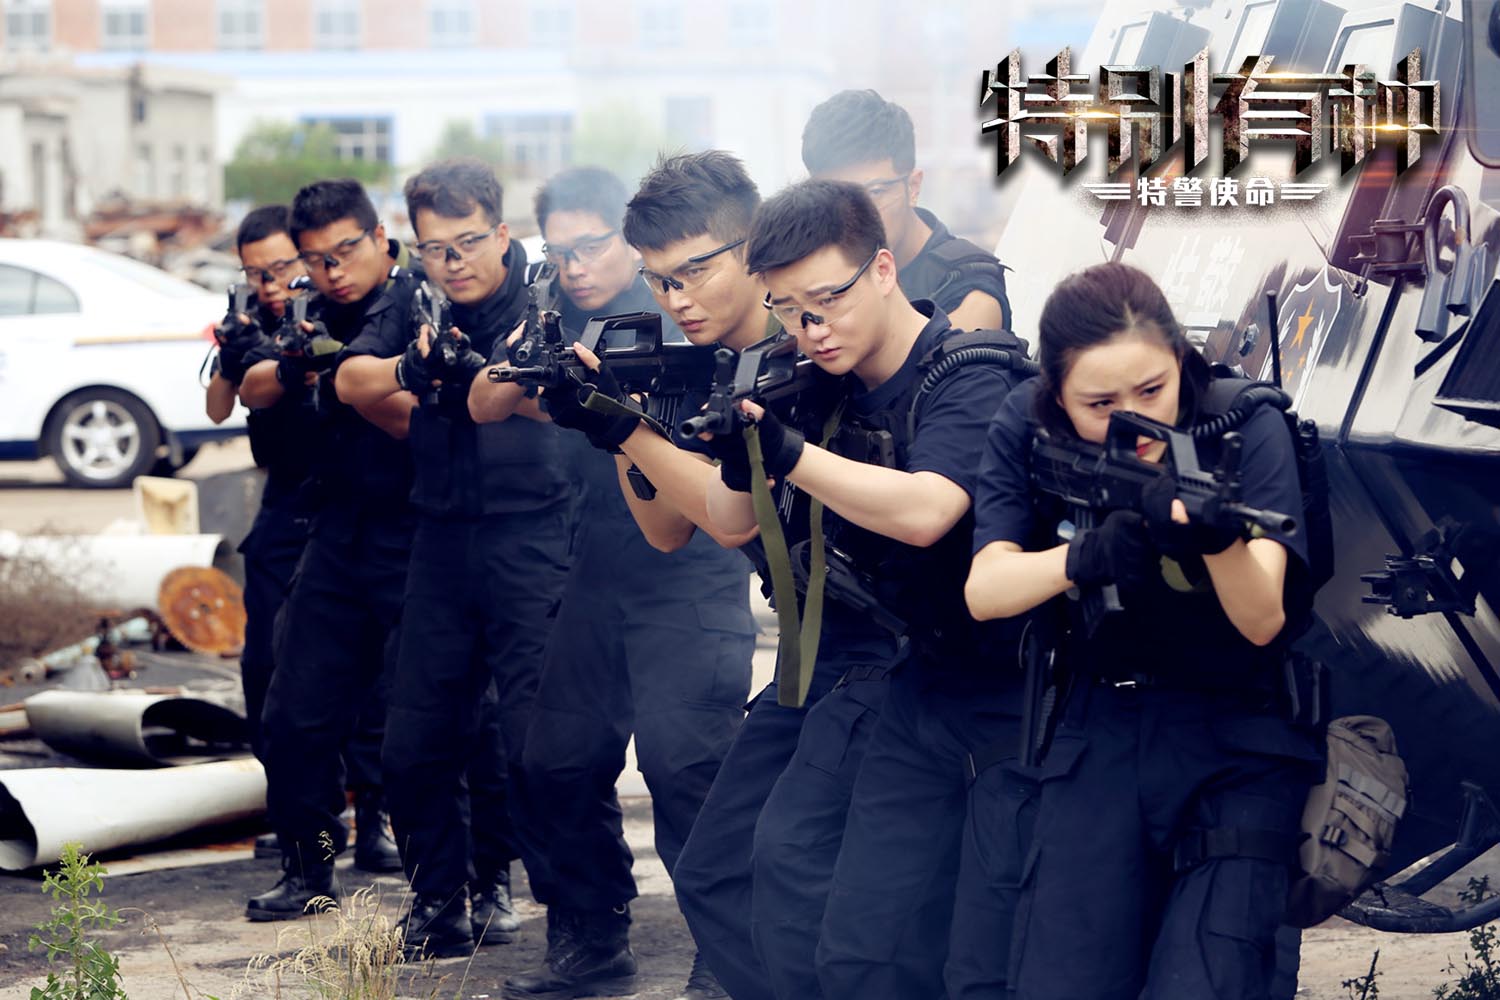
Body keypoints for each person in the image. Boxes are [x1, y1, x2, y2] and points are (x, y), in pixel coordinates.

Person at [689, 178, 1025, 1000]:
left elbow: (928, 512)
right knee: (771, 883)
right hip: (883, 668)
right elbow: (731, 518)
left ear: (881, 269)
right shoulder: (809, 377)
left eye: (826, 302)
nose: (811, 329)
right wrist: (731, 446)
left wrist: (789, 452)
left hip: (988, 684)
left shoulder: (969, 374)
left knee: (945, 942)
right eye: (787, 311)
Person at [964, 262, 1321, 999]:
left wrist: (1214, 542)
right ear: (1056, 395)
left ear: (1181, 360)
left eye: (1153, 390)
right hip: (1103, 722)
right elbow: (985, 590)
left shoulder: (1243, 422)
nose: (1137, 421)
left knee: (1210, 978)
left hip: (1238, 736)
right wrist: (1085, 556)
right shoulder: (1025, 427)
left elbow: (1263, 620)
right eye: (1101, 404)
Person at [491, 166, 755, 1000]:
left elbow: (699, 513)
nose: (574, 266)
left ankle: (727, 957)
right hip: (597, 567)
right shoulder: (552, 318)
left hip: (693, 573)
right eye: (559, 251)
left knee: (687, 768)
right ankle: (590, 936)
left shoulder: (703, 329)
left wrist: (620, 409)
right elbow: (490, 399)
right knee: (554, 759)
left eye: (591, 246)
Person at [335, 158, 571, 960]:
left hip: (533, 534)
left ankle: (537, 901)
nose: (454, 260)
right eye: (436, 247)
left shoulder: (544, 296)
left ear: (501, 233)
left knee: (533, 742)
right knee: (413, 739)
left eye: (468, 242)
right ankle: (439, 900)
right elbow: (351, 379)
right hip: (439, 537)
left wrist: (492, 378)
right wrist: (411, 368)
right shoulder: (413, 300)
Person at [240, 179, 418, 921]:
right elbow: (250, 387)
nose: (332, 270)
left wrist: (352, 378)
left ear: (380, 237)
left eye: (345, 251)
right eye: (316, 259)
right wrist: (296, 366)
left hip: (417, 530)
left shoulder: (419, 301)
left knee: (427, 719)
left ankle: (460, 887)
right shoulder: (307, 311)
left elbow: (420, 418)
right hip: (333, 527)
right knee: (294, 711)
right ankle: (310, 869)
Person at [802, 88, 1011, 332]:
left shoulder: (966, 287)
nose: (852, 216)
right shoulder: (812, 268)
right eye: (833, 198)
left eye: (875, 193)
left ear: (912, 187)